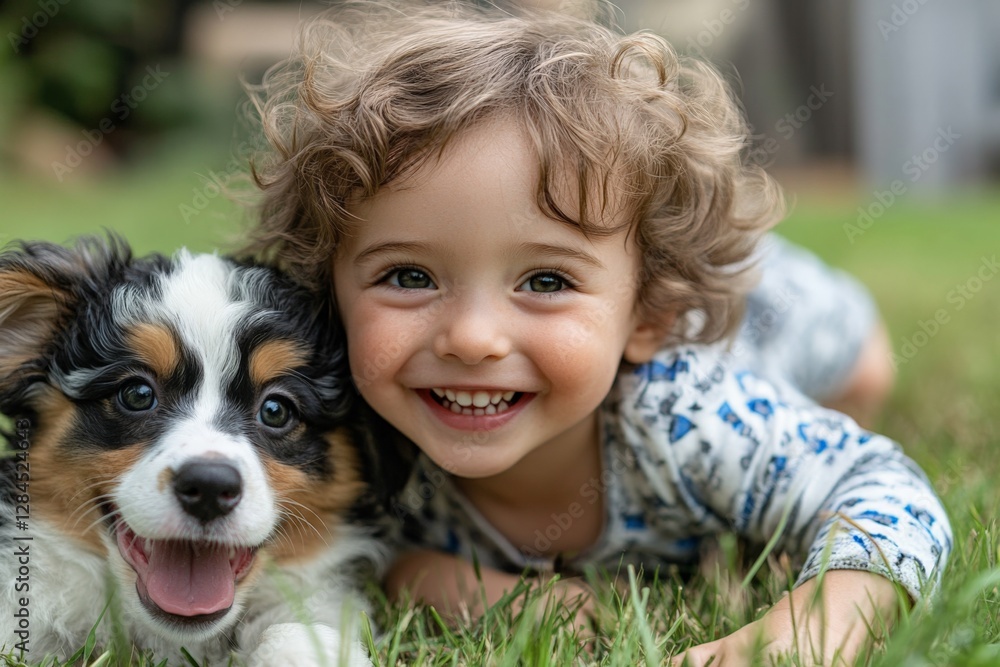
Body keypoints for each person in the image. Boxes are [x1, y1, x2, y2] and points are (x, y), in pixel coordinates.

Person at [240, 2, 951, 663]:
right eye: (409, 275)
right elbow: (371, 557)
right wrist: (433, 577)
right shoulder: (353, 435)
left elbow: (888, 493)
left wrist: (804, 631)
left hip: (779, 309)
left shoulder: (684, 415)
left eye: (546, 281)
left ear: (649, 315)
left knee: (860, 373)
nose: (473, 338)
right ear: (326, 291)